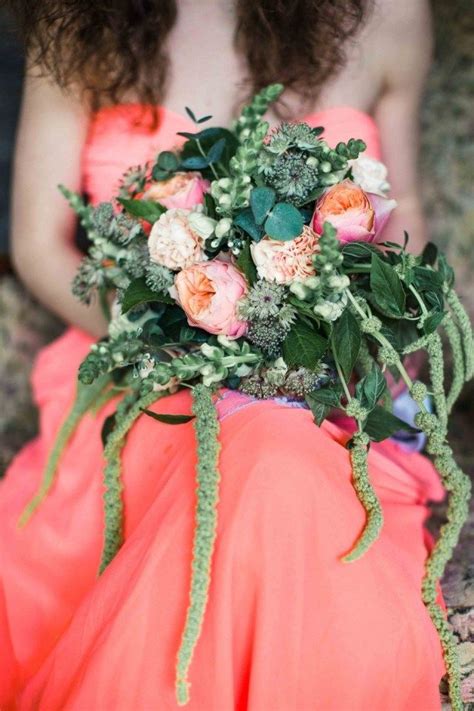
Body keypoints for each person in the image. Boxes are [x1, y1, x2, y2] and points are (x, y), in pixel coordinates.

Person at [1, 0, 448, 708]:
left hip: (320, 385)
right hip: (136, 377)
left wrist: (393, 334)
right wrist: (173, 329)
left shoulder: (391, 14)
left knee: (277, 449)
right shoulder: (73, 22)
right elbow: (35, 241)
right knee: (255, 452)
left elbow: (407, 214)